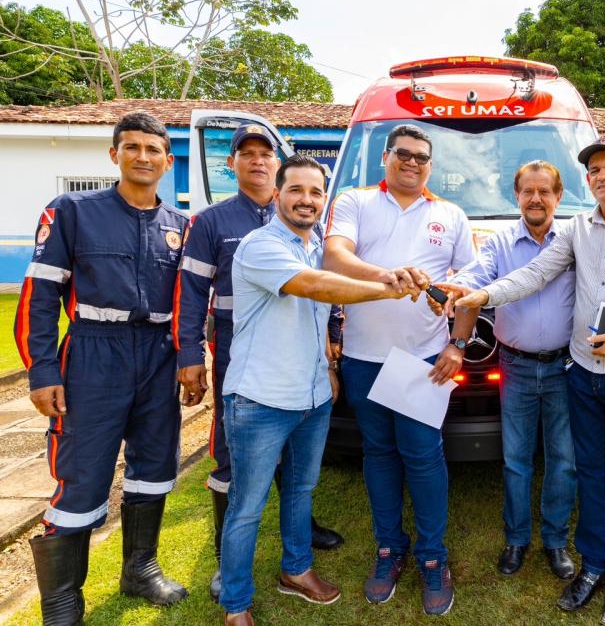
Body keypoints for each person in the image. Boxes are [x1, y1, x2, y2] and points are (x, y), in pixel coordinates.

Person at [444, 135, 605, 625]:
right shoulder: (578, 229)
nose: (603, 175)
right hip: (581, 374)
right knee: (590, 475)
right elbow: (534, 275)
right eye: (595, 170)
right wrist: (480, 296)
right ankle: (595, 564)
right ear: (588, 181)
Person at [217, 155, 426, 625]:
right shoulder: (260, 246)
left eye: (315, 192)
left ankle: (295, 571)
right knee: (247, 508)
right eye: (296, 190)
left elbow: (329, 290)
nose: (306, 200)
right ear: (277, 194)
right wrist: (389, 287)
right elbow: (317, 287)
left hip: (312, 397)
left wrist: (327, 369)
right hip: (260, 400)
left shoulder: (313, 248)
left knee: (301, 491)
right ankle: (235, 605)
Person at [15, 112, 190, 624]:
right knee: (82, 474)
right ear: (114, 155)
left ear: (167, 160)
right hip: (93, 354)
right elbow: (40, 295)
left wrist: (189, 361)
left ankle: (140, 569)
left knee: (155, 465)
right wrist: (42, 369)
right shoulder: (72, 210)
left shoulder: (179, 226)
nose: (142, 157)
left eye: (153, 149)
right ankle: (64, 602)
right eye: (131, 147)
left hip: (158, 356)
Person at [173, 124, 343, 601]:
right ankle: (233, 591)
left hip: (307, 379)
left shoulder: (314, 238)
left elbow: (326, 302)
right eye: (246, 154)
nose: (257, 161)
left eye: (265, 153)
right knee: (241, 490)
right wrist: (190, 355)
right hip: (246, 365)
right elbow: (190, 293)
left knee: (299, 485)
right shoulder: (226, 227)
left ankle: (296, 567)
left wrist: (331, 344)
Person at [324, 124, 476, 616]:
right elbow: (335, 255)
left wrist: (457, 343)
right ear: (386, 157)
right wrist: (385, 276)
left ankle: (434, 557)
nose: (412, 163)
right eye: (403, 155)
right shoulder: (354, 200)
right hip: (364, 357)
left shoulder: (450, 214)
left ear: (431, 165)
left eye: (421, 158)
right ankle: (390, 548)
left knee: (423, 456)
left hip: (422, 360)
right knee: (379, 454)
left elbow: (470, 285)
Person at [448, 160, 577, 580]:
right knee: (516, 460)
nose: (536, 199)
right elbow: (476, 277)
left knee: (563, 460)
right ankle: (517, 539)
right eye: (527, 191)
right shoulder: (500, 243)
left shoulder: (577, 241)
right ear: (516, 196)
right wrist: (457, 288)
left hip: (564, 367)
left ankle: (556, 541)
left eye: (545, 191)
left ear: (559, 196)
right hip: (516, 367)